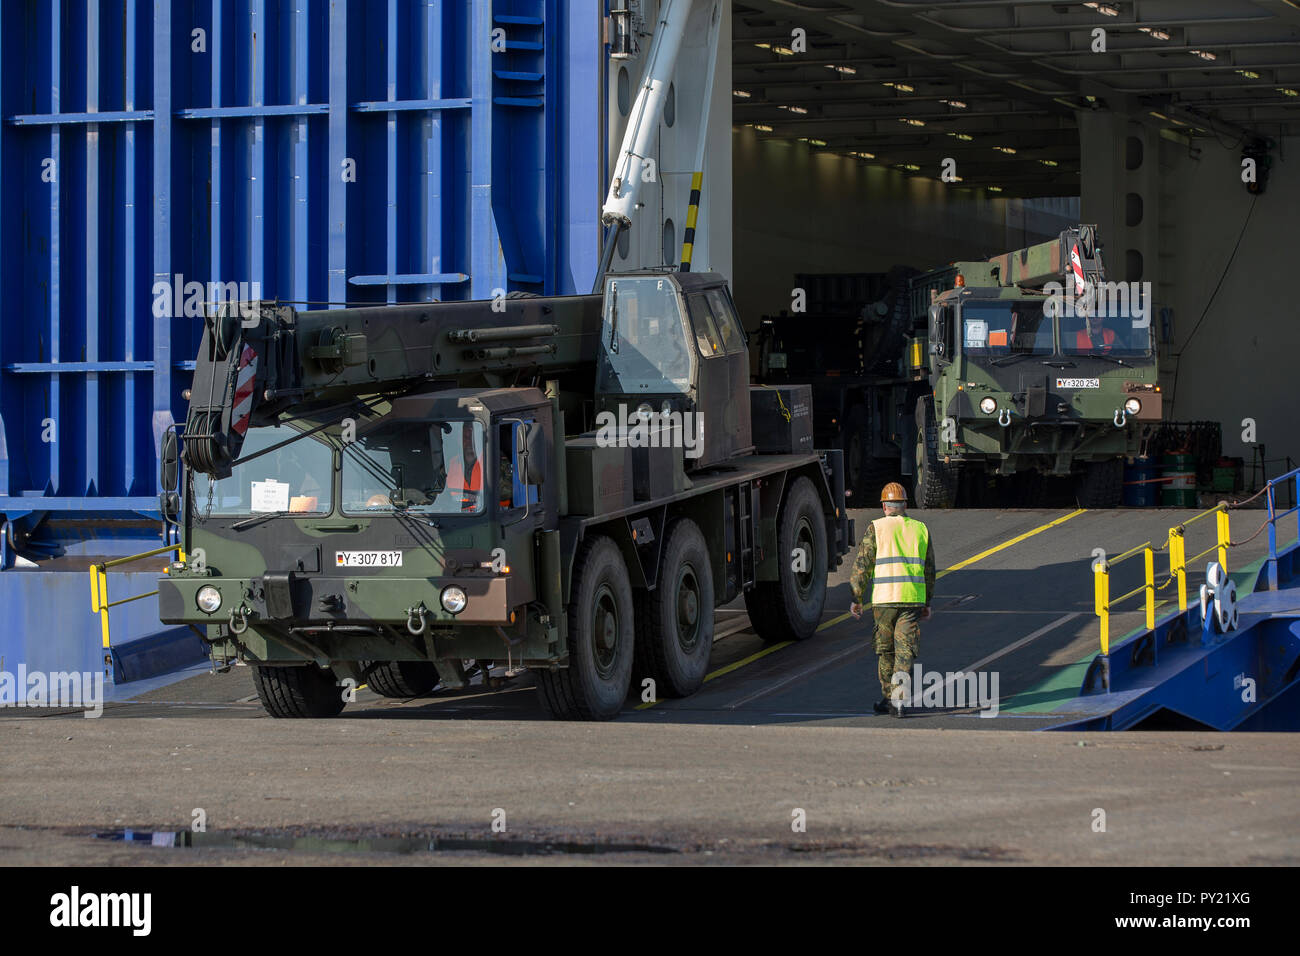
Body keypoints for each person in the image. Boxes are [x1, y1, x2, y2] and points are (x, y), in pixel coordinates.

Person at [849, 482, 936, 718]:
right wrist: (927, 602)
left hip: (884, 601)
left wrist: (857, 597)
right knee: (905, 652)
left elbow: (862, 565)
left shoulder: (876, 528)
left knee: (886, 652)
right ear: (905, 505)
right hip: (911, 601)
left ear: (884, 506)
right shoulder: (920, 529)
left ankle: (889, 697)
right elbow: (929, 570)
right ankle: (897, 700)